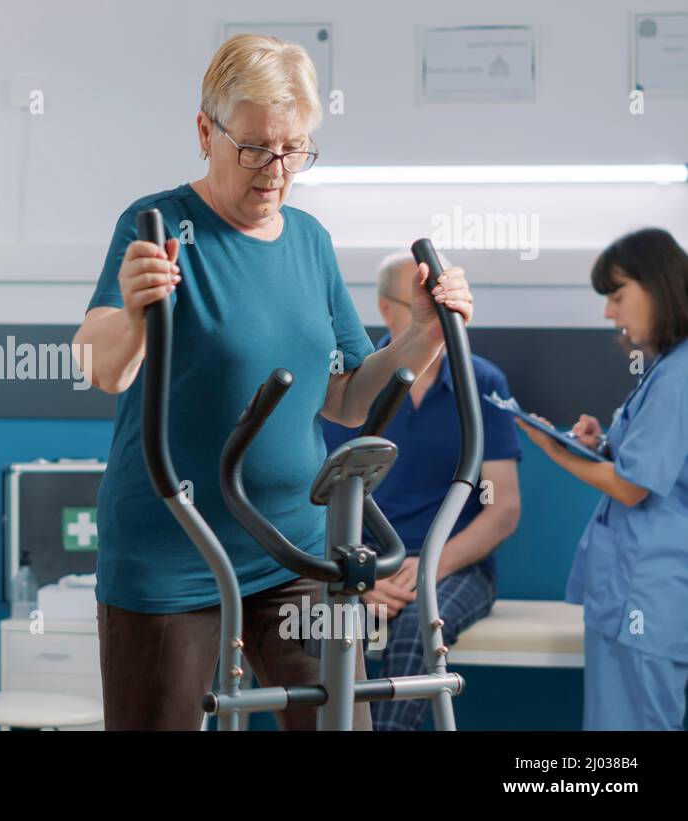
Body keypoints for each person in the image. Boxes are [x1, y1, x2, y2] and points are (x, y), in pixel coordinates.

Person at [72, 34, 475, 731]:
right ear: (206, 130)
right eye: (256, 147)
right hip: (175, 554)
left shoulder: (310, 241)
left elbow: (347, 396)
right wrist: (138, 317)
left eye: (294, 149)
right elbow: (98, 363)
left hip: (294, 549)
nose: (276, 170)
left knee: (340, 720)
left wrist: (421, 332)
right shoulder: (161, 226)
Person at [322, 252, 521, 731]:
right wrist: (364, 574)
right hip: (368, 564)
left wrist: (427, 568)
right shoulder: (355, 386)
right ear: (386, 308)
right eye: (420, 308)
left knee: (416, 629)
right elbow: (326, 494)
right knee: (320, 629)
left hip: (455, 565)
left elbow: (503, 508)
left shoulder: (482, 381)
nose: (434, 322)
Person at [518, 228, 688, 730]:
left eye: (617, 296)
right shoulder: (665, 370)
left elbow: (633, 487)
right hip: (641, 594)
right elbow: (656, 464)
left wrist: (555, 451)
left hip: (645, 598)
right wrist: (601, 445)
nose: (610, 313)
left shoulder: (678, 375)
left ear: (658, 287)